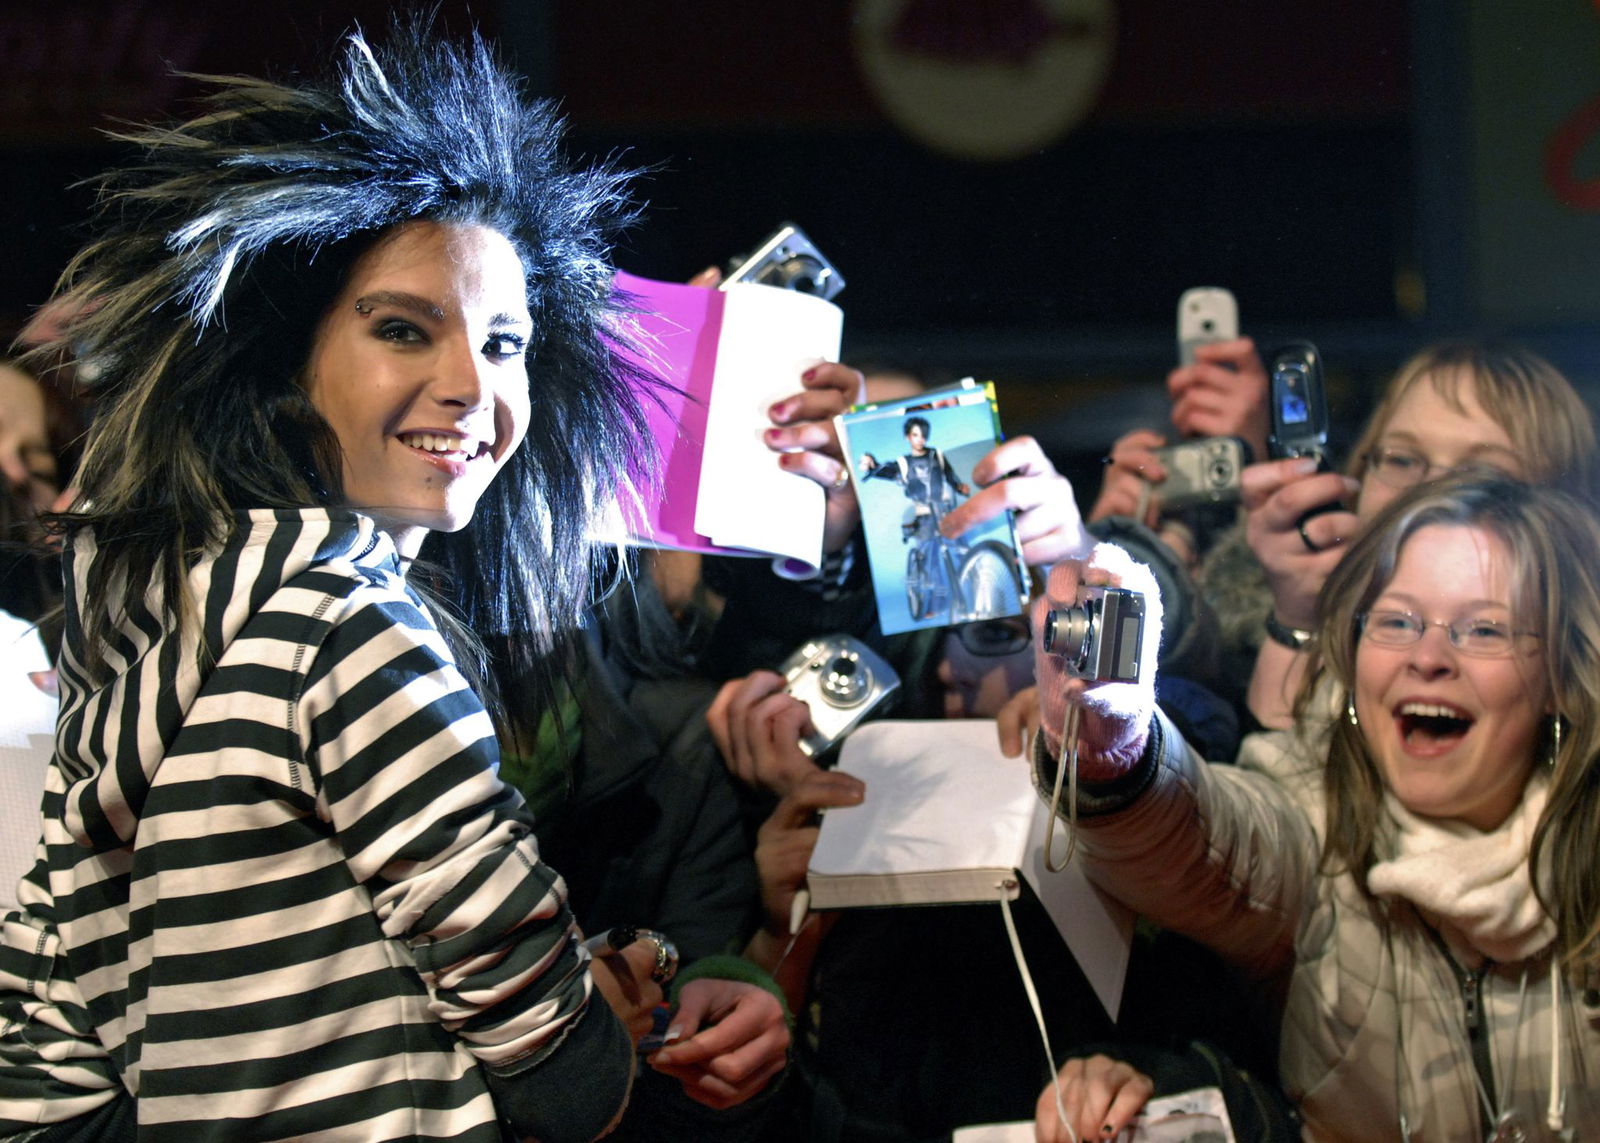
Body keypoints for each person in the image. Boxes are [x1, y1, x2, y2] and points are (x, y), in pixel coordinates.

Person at [0, 24, 698, 1142]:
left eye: (506, 343)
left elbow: (45, 1064)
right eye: (404, 330)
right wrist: (597, 1021)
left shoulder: (157, 618)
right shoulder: (348, 625)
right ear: (286, 359)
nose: (470, 384)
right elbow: (562, 1082)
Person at [1028, 472, 1600, 1141]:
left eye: (1483, 629)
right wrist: (1116, 746)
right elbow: (1205, 840)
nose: (1428, 657)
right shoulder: (1312, 817)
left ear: (1559, 674)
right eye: (1396, 621)